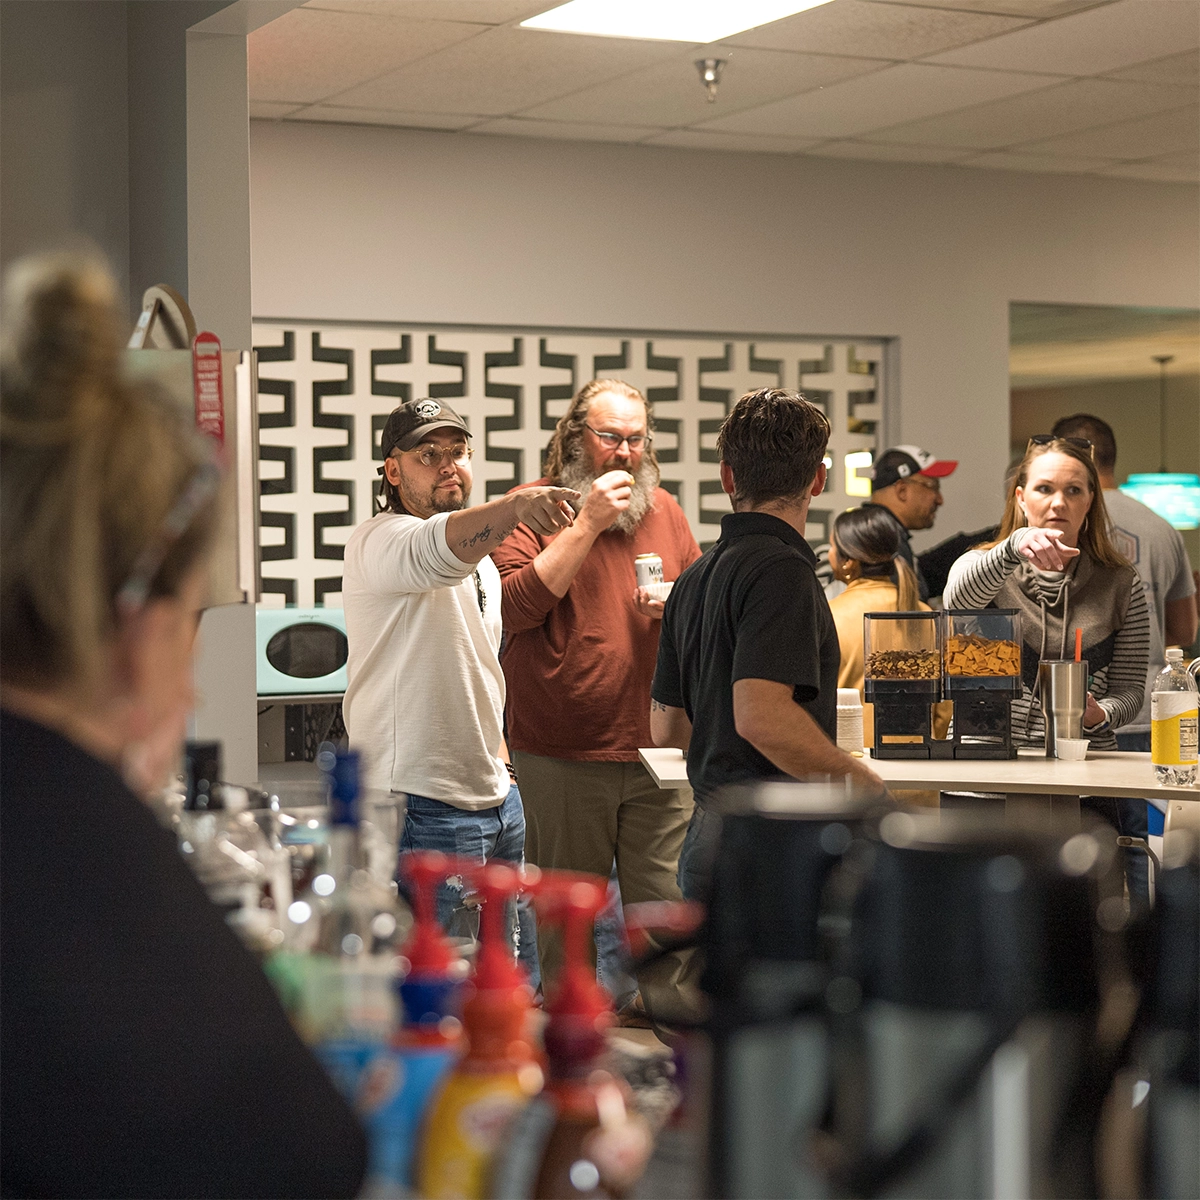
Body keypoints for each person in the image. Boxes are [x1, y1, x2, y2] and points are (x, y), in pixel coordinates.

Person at [0, 254, 367, 1198]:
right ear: (136, 631)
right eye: (192, 625)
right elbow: (301, 1155)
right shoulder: (79, 873)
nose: (194, 695)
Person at [341, 398, 577, 979]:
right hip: (421, 799)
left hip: (497, 798)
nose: (449, 466)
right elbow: (434, 552)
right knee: (434, 992)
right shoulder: (379, 540)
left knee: (506, 985)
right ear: (393, 472)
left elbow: (479, 666)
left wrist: (501, 762)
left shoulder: (485, 565)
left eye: (459, 453)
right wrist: (518, 505)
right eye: (428, 456)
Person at [492, 379, 700, 1023]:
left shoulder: (664, 509)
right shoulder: (528, 507)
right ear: (574, 437)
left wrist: (679, 606)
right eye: (610, 436)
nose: (624, 453)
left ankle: (677, 1057)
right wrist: (587, 523)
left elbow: (698, 604)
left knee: (668, 912)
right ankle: (574, 1061)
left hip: (660, 751)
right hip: (563, 749)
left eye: (637, 439)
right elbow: (511, 609)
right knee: (568, 919)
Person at [650, 388, 885, 900]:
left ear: (727, 476)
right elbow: (760, 716)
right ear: (818, 479)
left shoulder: (693, 578)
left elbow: (667, 726)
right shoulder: (784, 572)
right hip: (769, 842)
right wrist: (857, 778)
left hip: (708, 833)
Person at [943, 435, 1151, 897]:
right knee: (981, 920)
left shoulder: (1120, 583)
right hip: (985, 777)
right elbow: (958, 602)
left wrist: (1103, 713)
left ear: (1091, 501)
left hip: (1084, 777)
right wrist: (1015, 546)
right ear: (1020, 498)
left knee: (1079, 922)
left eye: (1074, 490)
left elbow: (1133, 691)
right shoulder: (985, 565)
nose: (1059, 502)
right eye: (1043, 489)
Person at [828, 505, 940, 746]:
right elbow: (942, 710)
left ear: (847, 561)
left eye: (832, 547)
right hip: (920, 771)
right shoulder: (926, 615)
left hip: (854, 769)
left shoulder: (829, 616)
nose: (828, 554)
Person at [866, 444, 958, 601]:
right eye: (933, 487)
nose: (939, 499)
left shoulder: (877, 531)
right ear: (902, 490)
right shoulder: (880, 539)